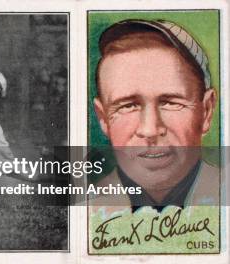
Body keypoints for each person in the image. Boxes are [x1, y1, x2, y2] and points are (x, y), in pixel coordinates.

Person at [91, 19, 218, 211]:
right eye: (128, 105)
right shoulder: (83, 208)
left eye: (170, 103)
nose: (150, 129)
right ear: (103, 119)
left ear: (206, 111)